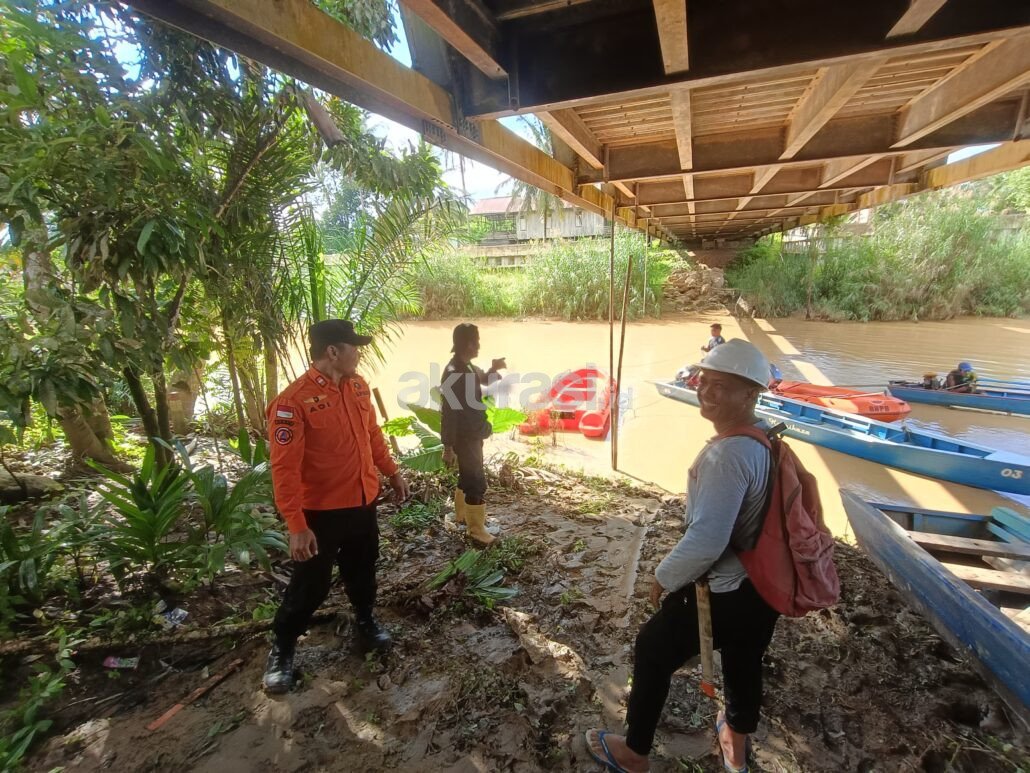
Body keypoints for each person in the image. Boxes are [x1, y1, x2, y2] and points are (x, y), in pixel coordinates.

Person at [586, 339, 780, 773]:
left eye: (722, 386)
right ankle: (736, 743)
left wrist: (663, 576)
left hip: (727, 588)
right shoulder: (761, 438)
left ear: (751, 394)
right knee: (745, 659)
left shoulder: (726, 456)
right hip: (763, 585)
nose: (707, 392)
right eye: (705, 381)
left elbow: (708, 541)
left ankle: (634, 753)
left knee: (653, 647)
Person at [262, 319, 410, 694]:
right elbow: (285, 468)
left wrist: (392, 473)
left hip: (363, 501)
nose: (359, 352)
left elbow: (372, 436)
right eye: (354, 346)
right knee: (310, 584)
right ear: (333, 351)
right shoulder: (291, 402)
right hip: (321, 514)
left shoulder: (358, 387)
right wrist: (296, 524)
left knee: (362, 569)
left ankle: (364, 621)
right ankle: (282, 646)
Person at [440, 323, 505, 545]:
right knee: (476, 481)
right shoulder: (453, 373)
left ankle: (461, 516)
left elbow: (484, 380)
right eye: (476, 341)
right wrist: (447, 447)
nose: (479, 345)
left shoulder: (466, 367)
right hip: (465, 437)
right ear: (468, 343)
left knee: (466, 476)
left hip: (471, 435)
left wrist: (494, 369)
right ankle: (476, 530)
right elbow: (448, 413)